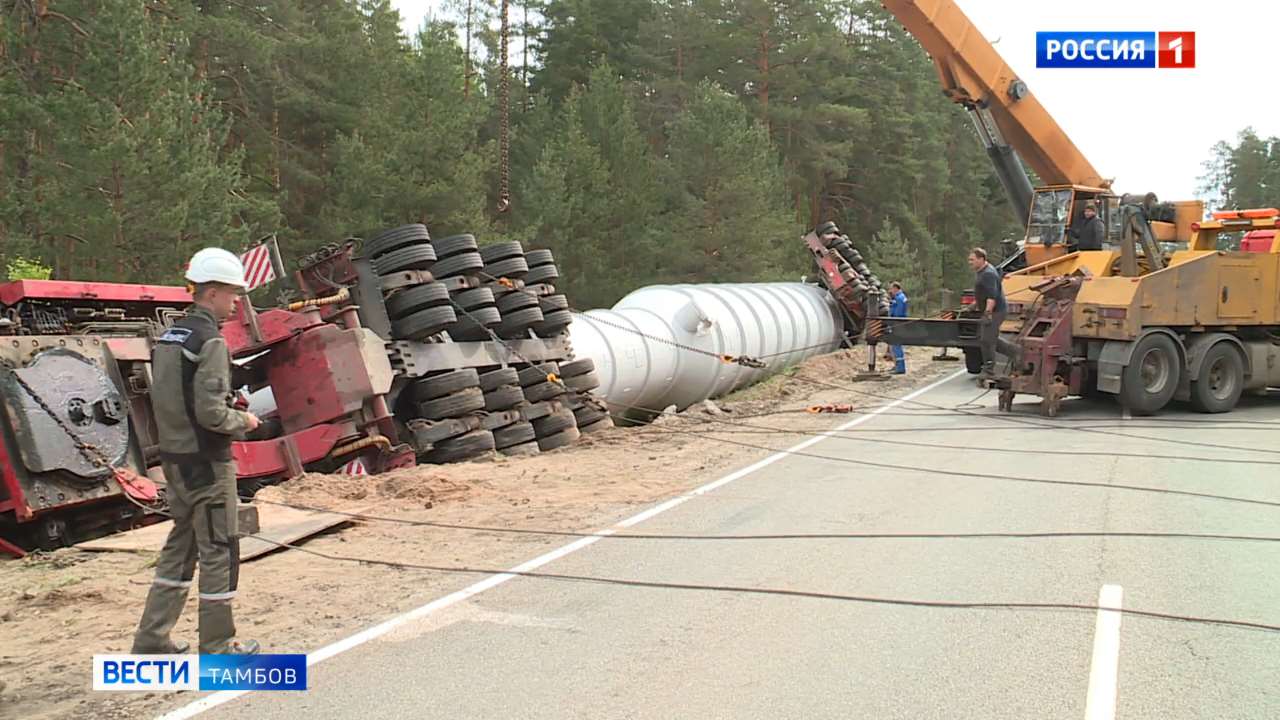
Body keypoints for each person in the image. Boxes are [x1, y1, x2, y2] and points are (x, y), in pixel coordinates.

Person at [132, 248, 262, 656]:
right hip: (207, 465)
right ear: (212, 293)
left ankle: (152, 641)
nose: (237, 301)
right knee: (219, 550)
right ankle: (218, 647)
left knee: (181, 547)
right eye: (233, 293)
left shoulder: (170, 337)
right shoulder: (211, 342)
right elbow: (211, 413)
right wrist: (245, 421)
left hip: (175, 462)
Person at [968, 247, 1022, 379]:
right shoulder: (981, 272)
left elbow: (992, 296)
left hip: (996, 311)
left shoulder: (988, 274)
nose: (970, 262)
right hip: (992, 309)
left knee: (987, 341)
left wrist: (987, 313)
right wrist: (974, 305)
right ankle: (1016, 352)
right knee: (989, 338)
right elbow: (984, 293)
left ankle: (989, 370)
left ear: (981, 259)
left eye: (972, 260)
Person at [887, 281, 908, 374]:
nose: (890, 291)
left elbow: (898, 312)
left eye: (891, 288)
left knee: (896, 345)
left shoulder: (898, 298)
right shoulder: (902, 297)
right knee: (895, 345)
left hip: (897, 324)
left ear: (896, 288)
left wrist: (892, 321)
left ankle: (900, 368)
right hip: (899, 323)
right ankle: (897, 365)